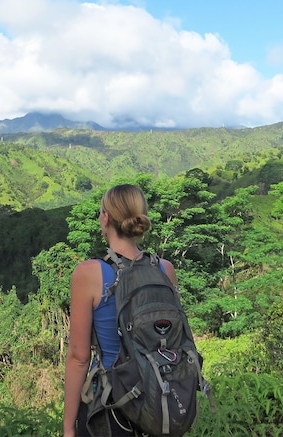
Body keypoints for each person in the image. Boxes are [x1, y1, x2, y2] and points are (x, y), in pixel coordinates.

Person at [63, 184, 180, 437]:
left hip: (111, 407)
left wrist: (68, 427)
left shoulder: (90, 273)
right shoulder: (165, 269)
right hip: (160, 401)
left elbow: (79, 357)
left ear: (105, 218)